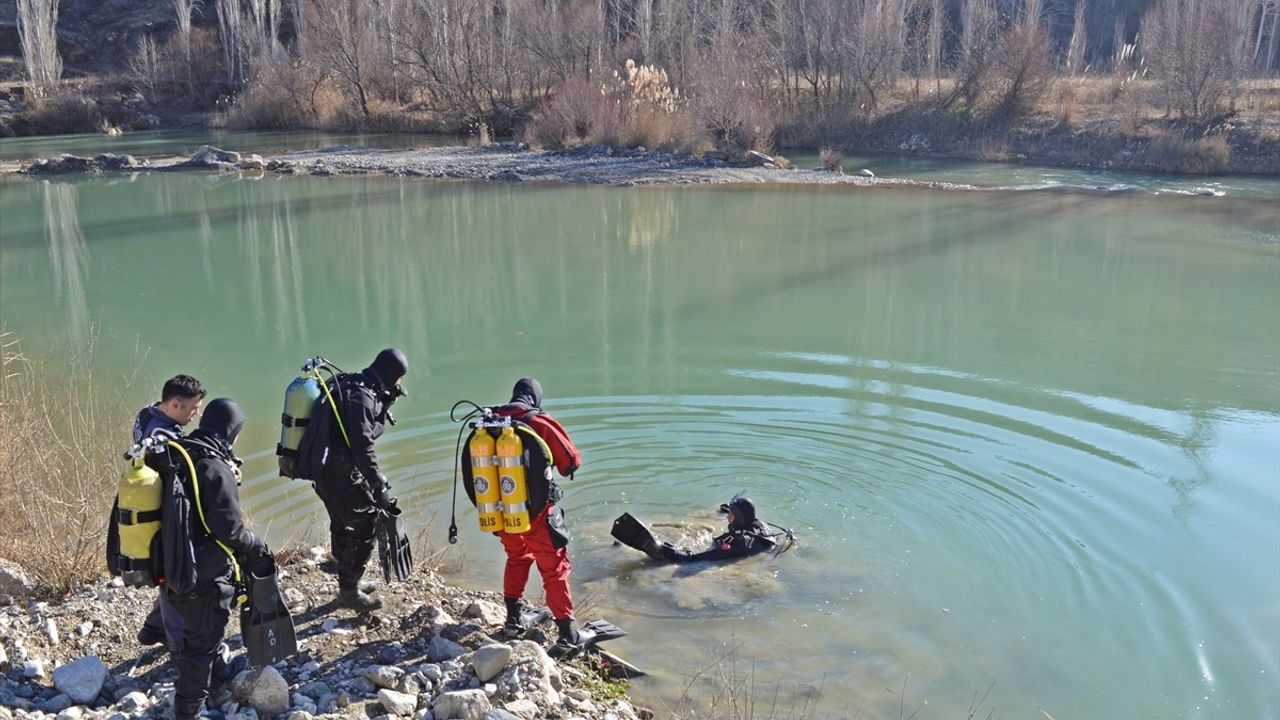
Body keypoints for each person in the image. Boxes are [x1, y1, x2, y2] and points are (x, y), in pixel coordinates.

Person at [160, 399, 269, 720]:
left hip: (168, 559)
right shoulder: (215, 467)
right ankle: (187, 709)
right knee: (202, 642)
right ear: (231, 433)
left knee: (193, 627)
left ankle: (214, 669)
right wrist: (256, 544)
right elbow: (230, 531)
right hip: (201, 571)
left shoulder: (177, 451)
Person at [302, 348, 408, 610]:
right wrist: (378, 483)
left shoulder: (351, 383)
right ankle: (349, 591)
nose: (398, 385)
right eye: (398, 379)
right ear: (391, 375)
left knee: (340, 521)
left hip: (324, 469)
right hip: (339, 471)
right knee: (366, 524)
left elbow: (366, 431)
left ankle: (347, 581)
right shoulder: (361, 396)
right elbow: (363, 445)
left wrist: (386, 402)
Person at [488, 378, 584, 656]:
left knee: (517, 557)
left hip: (502, 511)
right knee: (555, 568)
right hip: (537, 514)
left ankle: (512, 621)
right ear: (535, 399)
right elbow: (570, 462)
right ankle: (567, 634)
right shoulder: (538, 421)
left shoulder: (491, 422)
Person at [131, 374, 206, 646]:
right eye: (193, 408)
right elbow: (183, 473)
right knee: (173, 577)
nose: (195, 414)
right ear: (175, 404)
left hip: (147, 509)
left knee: (167, 573)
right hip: (163, 515)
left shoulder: (147, 413)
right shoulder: (164, 437)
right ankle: (181, 649)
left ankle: (152, 629)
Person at [614, 496, 782, 564]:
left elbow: (704, 558)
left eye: (730, 514)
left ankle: (657, 549)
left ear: (739, 518)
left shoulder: (739, 542)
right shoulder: (758, 525)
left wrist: (677, 555)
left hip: (722, 555)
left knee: (681, 558)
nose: (727, 517)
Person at [133, 374, 206, 444]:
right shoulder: (165, 439)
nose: (197, 413)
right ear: (175, 405)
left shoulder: (147, 410)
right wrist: (204, 430)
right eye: (194, 408)